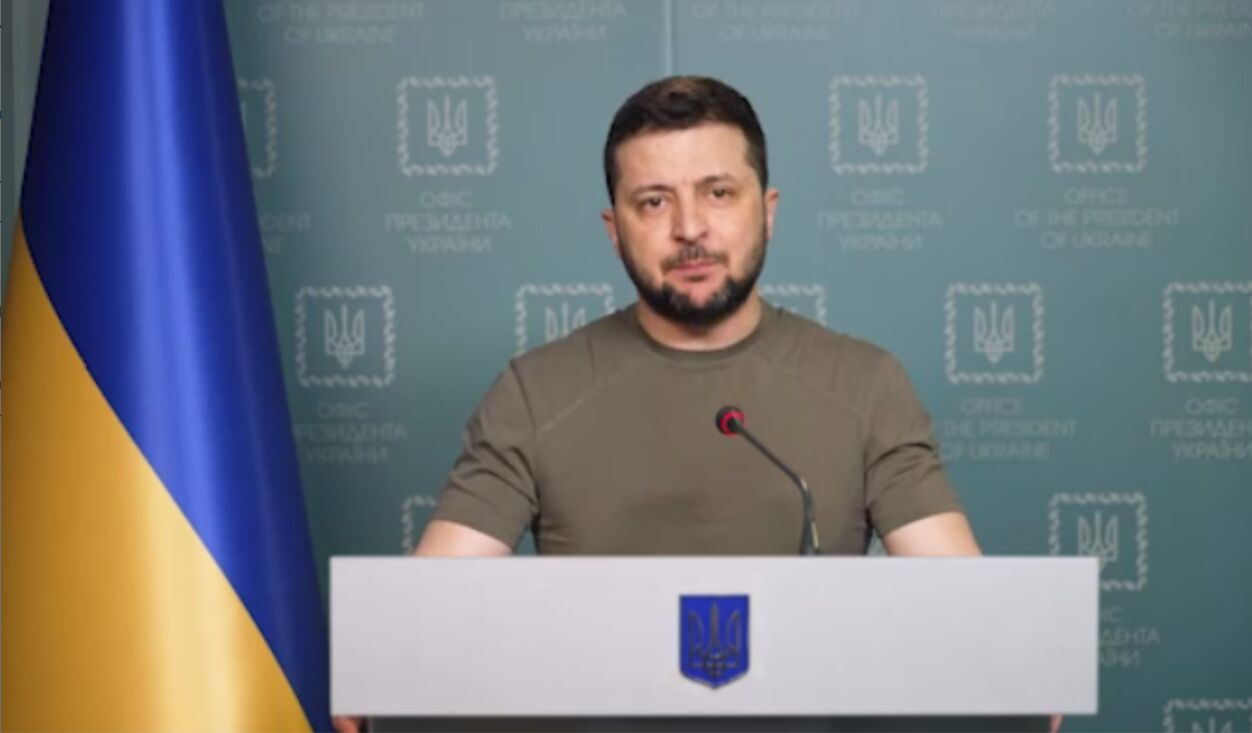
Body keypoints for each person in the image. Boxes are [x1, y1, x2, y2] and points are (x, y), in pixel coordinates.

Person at [334, 76, 1042, 733]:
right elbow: (429, 607)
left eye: (719, 193)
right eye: (654, 202)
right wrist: (384, 662)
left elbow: (961, 598)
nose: (690, 227)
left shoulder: (865, 382)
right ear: (614, 229)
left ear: (767, 211)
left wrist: (1013, 661)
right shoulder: (534, 390)